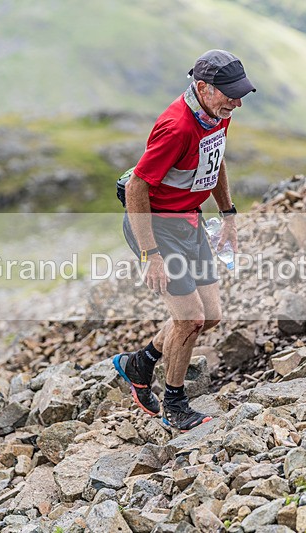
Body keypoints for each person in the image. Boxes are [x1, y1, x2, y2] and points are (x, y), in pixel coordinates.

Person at [112, 50, 256, 432]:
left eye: (240, 95)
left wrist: (228, 215)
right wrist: (150, 254)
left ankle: (139, 363)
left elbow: (216, 159)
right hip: (157, 229)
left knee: (209, 316)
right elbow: (137, 187)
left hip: (189, 223)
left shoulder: (215, 115)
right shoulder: (176, 126)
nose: (237, 102)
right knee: (190, 319)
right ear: (203, 87)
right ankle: (175, 406)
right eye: (230, 94)